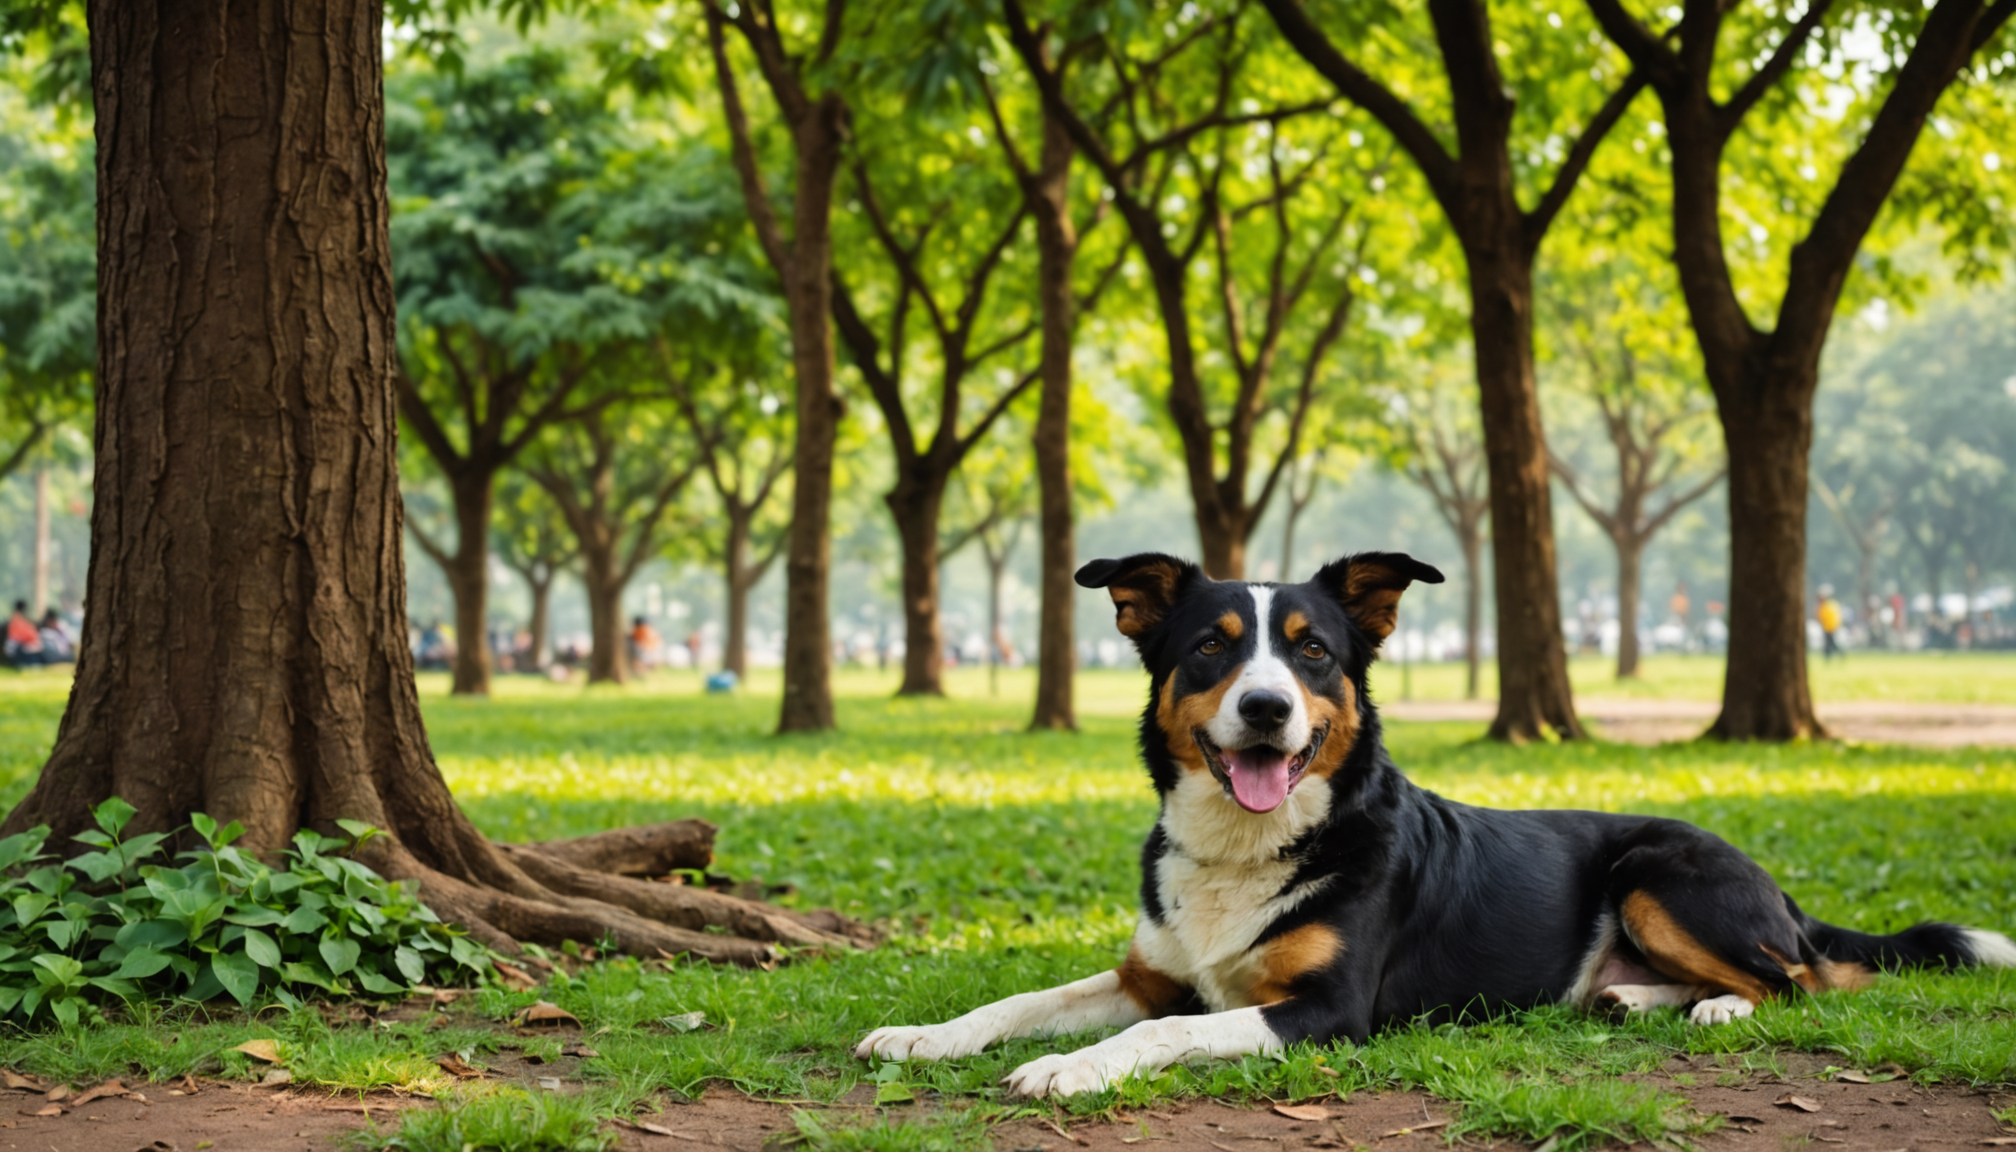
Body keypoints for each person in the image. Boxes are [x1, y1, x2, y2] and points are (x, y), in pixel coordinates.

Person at [5, 602, 44, 667]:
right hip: (18, 646)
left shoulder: (22, 619)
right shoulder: (16, 619)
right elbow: (19, 636)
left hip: (25, 645)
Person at [1816, 585, 1844, 661]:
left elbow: (1832, 617)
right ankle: (1831, 657)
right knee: (1830, 644)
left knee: (1830, 644)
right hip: (1827, 627)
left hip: (1830, 628)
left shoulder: (1829, 605)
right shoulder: (1826, 605)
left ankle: (1838, 655)